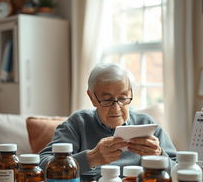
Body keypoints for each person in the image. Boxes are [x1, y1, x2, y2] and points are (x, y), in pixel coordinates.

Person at [39, 63, 176, 174]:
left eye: (123, 98)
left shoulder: (147, 124)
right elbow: (41, 164)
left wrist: (159, 155)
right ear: (92, 97)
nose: (116, 108)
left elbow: (180, 170)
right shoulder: (76, 124)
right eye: (107, 100)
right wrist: (90, 158)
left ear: (131, 93)